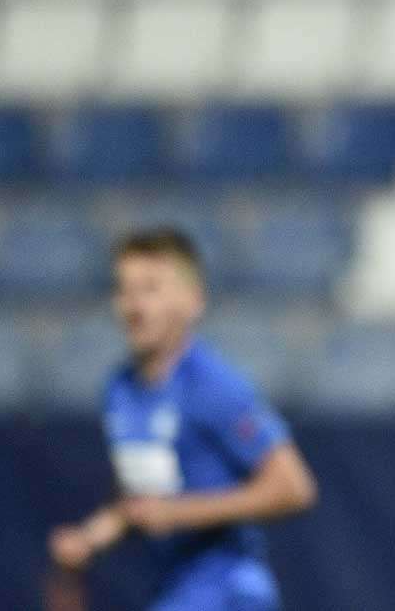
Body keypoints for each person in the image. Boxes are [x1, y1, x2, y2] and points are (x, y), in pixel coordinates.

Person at [48, 227, 317, 611]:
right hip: (174, 588)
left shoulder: (214, 386)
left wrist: (179, 512)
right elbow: (141, 498)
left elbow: (294, 487)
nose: (134, 306)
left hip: (229, 588)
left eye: (151, 289)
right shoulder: (120, 389)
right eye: (125, 290)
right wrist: (91, 537)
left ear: (192, 301)